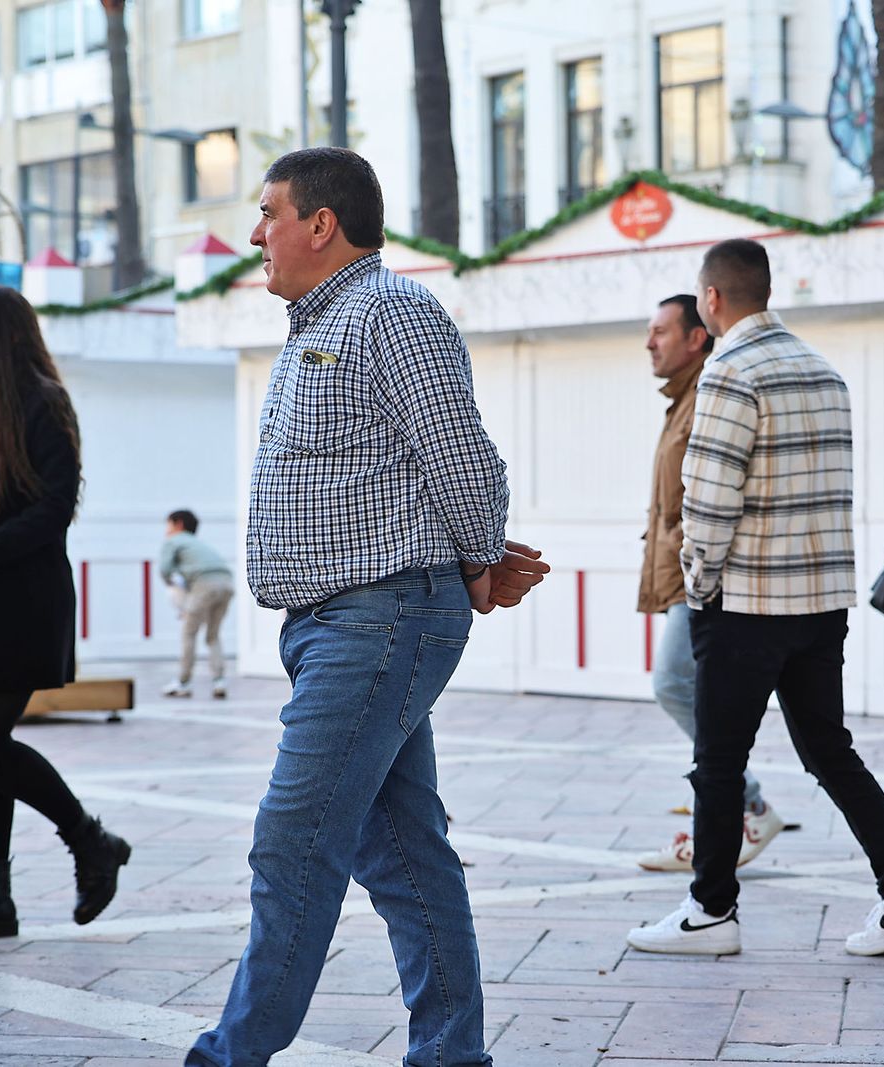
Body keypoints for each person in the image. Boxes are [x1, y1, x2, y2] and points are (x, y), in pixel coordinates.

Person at [186, 147, 550, 1067]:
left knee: (293, 843)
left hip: (378, 620)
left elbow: (465, 462)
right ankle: (452, 1055)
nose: (257, 233)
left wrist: (472, 565)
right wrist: (467, 565)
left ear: (321, 223)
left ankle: (228, 1057)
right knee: (405, 855)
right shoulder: (322, 323)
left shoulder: (391, 312)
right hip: (339, 624)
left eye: (269, 212)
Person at [627, 239, 884, 959]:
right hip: (821, 602)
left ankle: (711, 911)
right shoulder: (825, 370)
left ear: (712, 299)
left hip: (744, 603)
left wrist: (701, 586)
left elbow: (707, 499)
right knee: (831, 752)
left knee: (718, 761)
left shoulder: (729, 373)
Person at [0, 285, 131, 940]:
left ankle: (91, 842)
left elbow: (53, 507)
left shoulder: (39, 398)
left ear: (4, 334)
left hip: (20, 593)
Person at [634, 294, 782, 873]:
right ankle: (723, 824)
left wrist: (698, 571)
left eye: (661, 331)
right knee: (692, 693)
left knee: (676, 684)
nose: (650, 342)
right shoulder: (681, 400)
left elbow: (711, 501)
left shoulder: (708, 395)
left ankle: (745, 807)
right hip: (685, 573)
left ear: (697, 336)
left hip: (703, 576)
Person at [158, 508, 234, 699]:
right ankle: (219, 681)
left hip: (203, 585)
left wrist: (181, 602)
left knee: (188, 633)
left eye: (168, 524)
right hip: (226, 583)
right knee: (213, 635)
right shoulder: (198, 544)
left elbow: (165, 570)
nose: (166, 530)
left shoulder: (173, 541)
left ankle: (183, 683)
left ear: (179, 524)